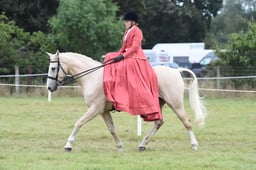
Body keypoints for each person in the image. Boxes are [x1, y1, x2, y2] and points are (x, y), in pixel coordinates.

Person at [103, 12, 162, 121]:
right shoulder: (127, 31)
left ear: (133, 22)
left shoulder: (137, 32)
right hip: (127, 55)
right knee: (109, 56)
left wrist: (123, 56)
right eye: (125, 21)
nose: (125, 23)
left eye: (127, 21)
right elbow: (124, 46)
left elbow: (134, 47)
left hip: (135, 57)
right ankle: (111, 87)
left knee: (122, 67)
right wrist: (119, 54)